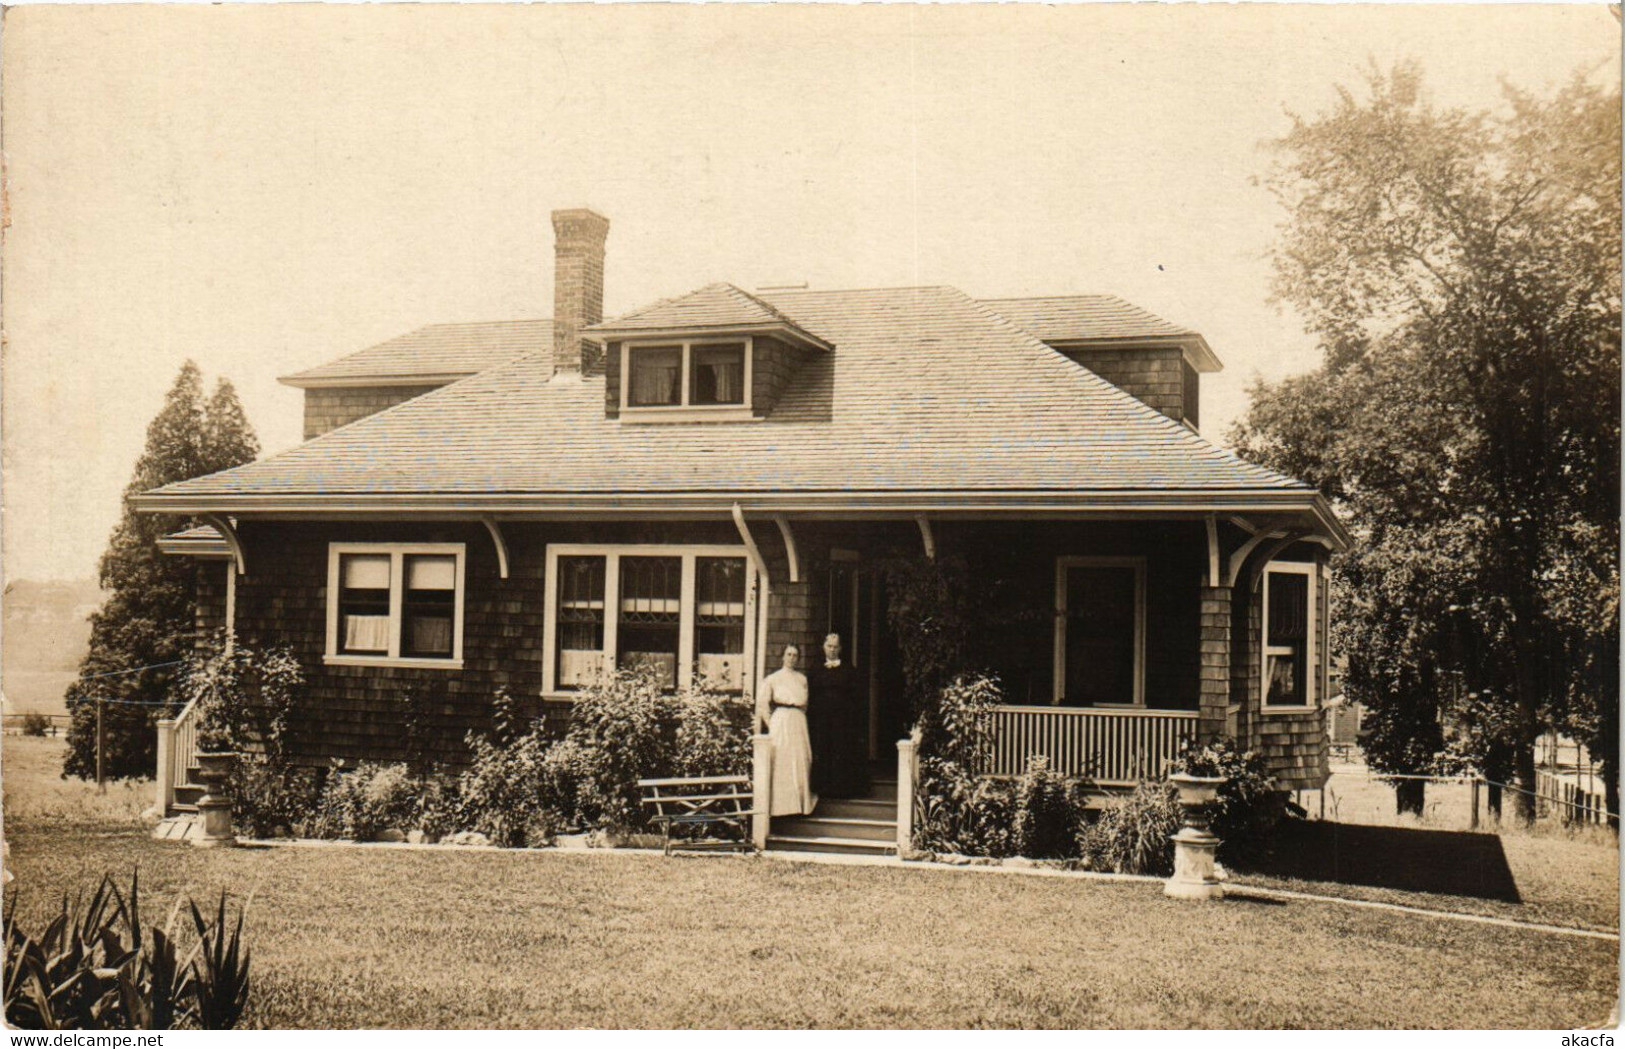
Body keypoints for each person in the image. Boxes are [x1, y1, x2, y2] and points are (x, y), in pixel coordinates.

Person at [757, 643, 817, 816]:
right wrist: (773, 723)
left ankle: (800, 805)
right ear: (783, 657)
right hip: (781, 720)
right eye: (788, 654)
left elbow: (805, 704)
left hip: (798, 720)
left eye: (795, 655)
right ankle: (781, 807)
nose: (791, 658)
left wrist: (797, 716)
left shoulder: (802, 679)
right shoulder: (773, 678)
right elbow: (762, 704)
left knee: (800, 760)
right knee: (782, 761)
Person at [813, 632, 871, 798]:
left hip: (842, 719)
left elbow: (856, 695)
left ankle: (841, 790)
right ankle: (824, 789)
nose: (832, 650)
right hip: (823, 719)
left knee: (841, 749)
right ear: (824, 647)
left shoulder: (848, 669)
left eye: (835, 646)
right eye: (829, 646)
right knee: (824, 749)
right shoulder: (816, 669)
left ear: (840, 648)